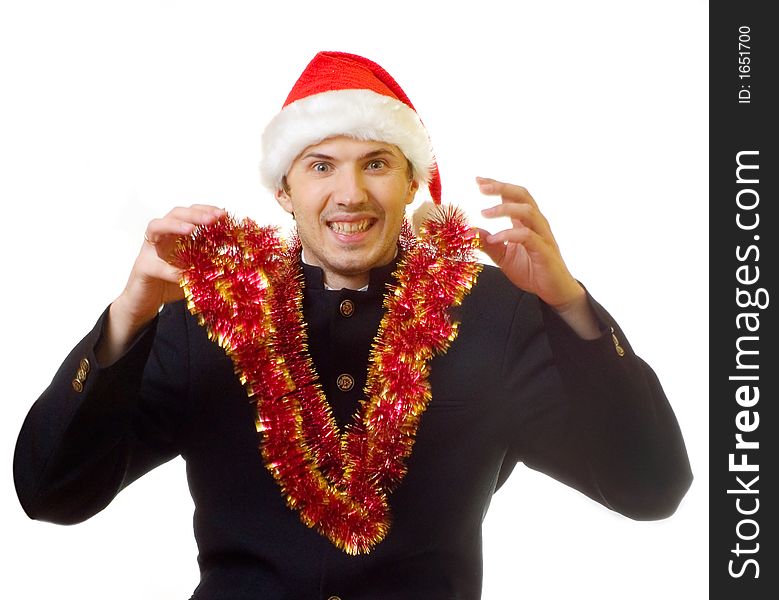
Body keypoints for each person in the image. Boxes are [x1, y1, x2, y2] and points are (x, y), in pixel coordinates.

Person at [13, 51, 692, 599]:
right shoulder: (207, 315)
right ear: (283, 191)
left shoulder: (495, 311)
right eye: (320, 166)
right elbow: (51, 494)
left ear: (409, 184)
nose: (350, 193)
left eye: (376, 164)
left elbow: (649, 488)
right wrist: (128, 316)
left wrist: (567, 305)